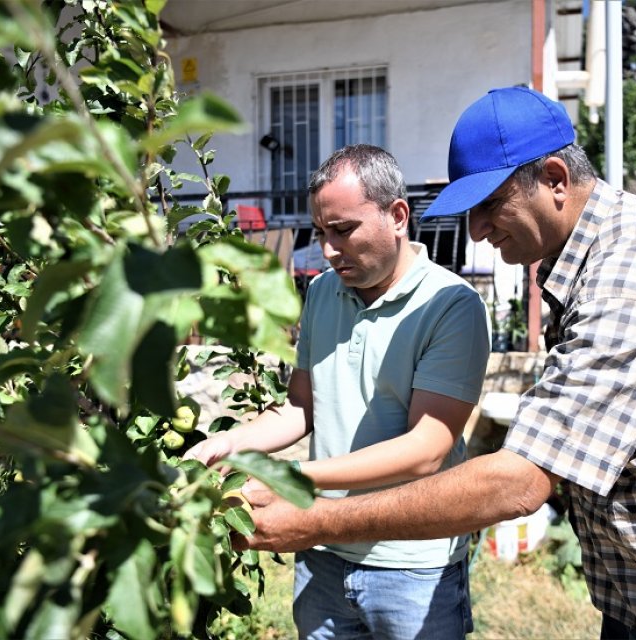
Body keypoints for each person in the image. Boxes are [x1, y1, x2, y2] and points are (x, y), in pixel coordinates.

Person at [236, 88, 636, 640]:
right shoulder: (591, 254)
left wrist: (309, 519)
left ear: (555, 181)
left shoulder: (631, 285)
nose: (478, 232)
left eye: (489, 206)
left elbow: (517, 483)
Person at [188, 144, 491, 639]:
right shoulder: (324, 291)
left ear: (397, 216)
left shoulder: (450, 306)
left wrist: (291, 480)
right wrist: (230, 443)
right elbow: (299, 408)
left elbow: (425, 451)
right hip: (323, 552)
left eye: (344, 230)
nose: (328, 249)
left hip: (410, 560)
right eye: (321, 232)